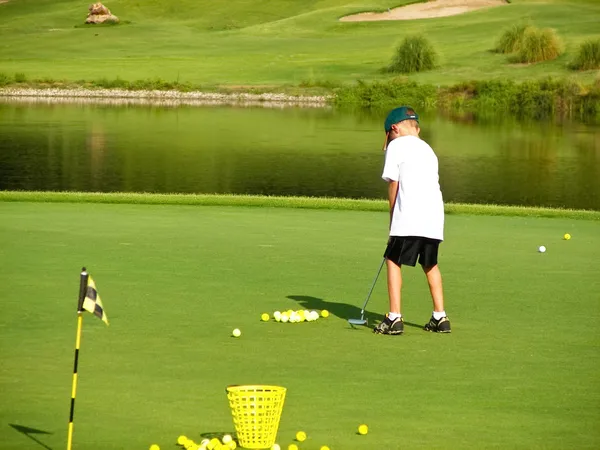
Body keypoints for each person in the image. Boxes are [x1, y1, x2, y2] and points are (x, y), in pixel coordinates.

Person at [373, 106, 451, 335]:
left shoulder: (397, 145)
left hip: (408, 214)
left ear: (394, 128)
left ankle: (394, 317)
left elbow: (394, 184)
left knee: (393, 260)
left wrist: (392, 218)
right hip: (434, 217)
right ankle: (440, 317)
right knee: (430, 264)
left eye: (390, 133)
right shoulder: (428, 149)